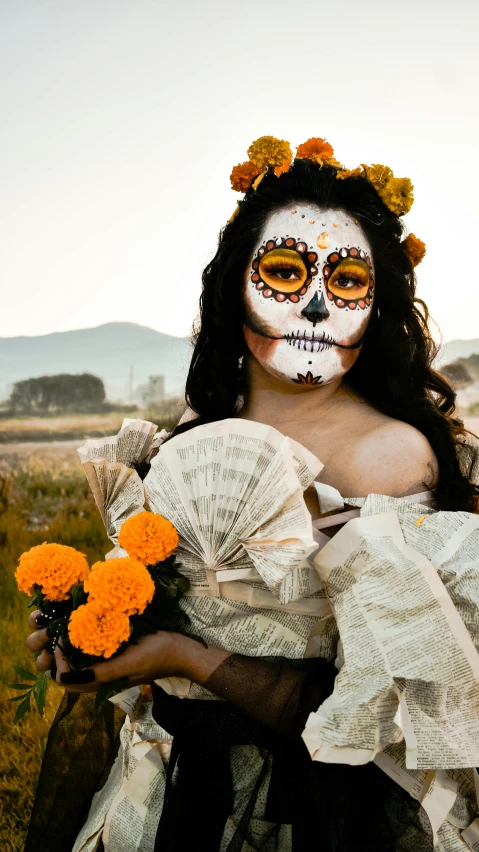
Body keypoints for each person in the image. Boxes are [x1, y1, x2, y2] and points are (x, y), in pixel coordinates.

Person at [24, 137, 479, 852]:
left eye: (349, 281)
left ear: (377, 304)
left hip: (323, 814)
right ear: (234, 282)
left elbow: (403, 709)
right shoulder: (192, 435)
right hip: (164, 787)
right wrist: (84, 625)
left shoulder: (394, 455)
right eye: (284, 271)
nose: (317, 305)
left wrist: (183, 658)